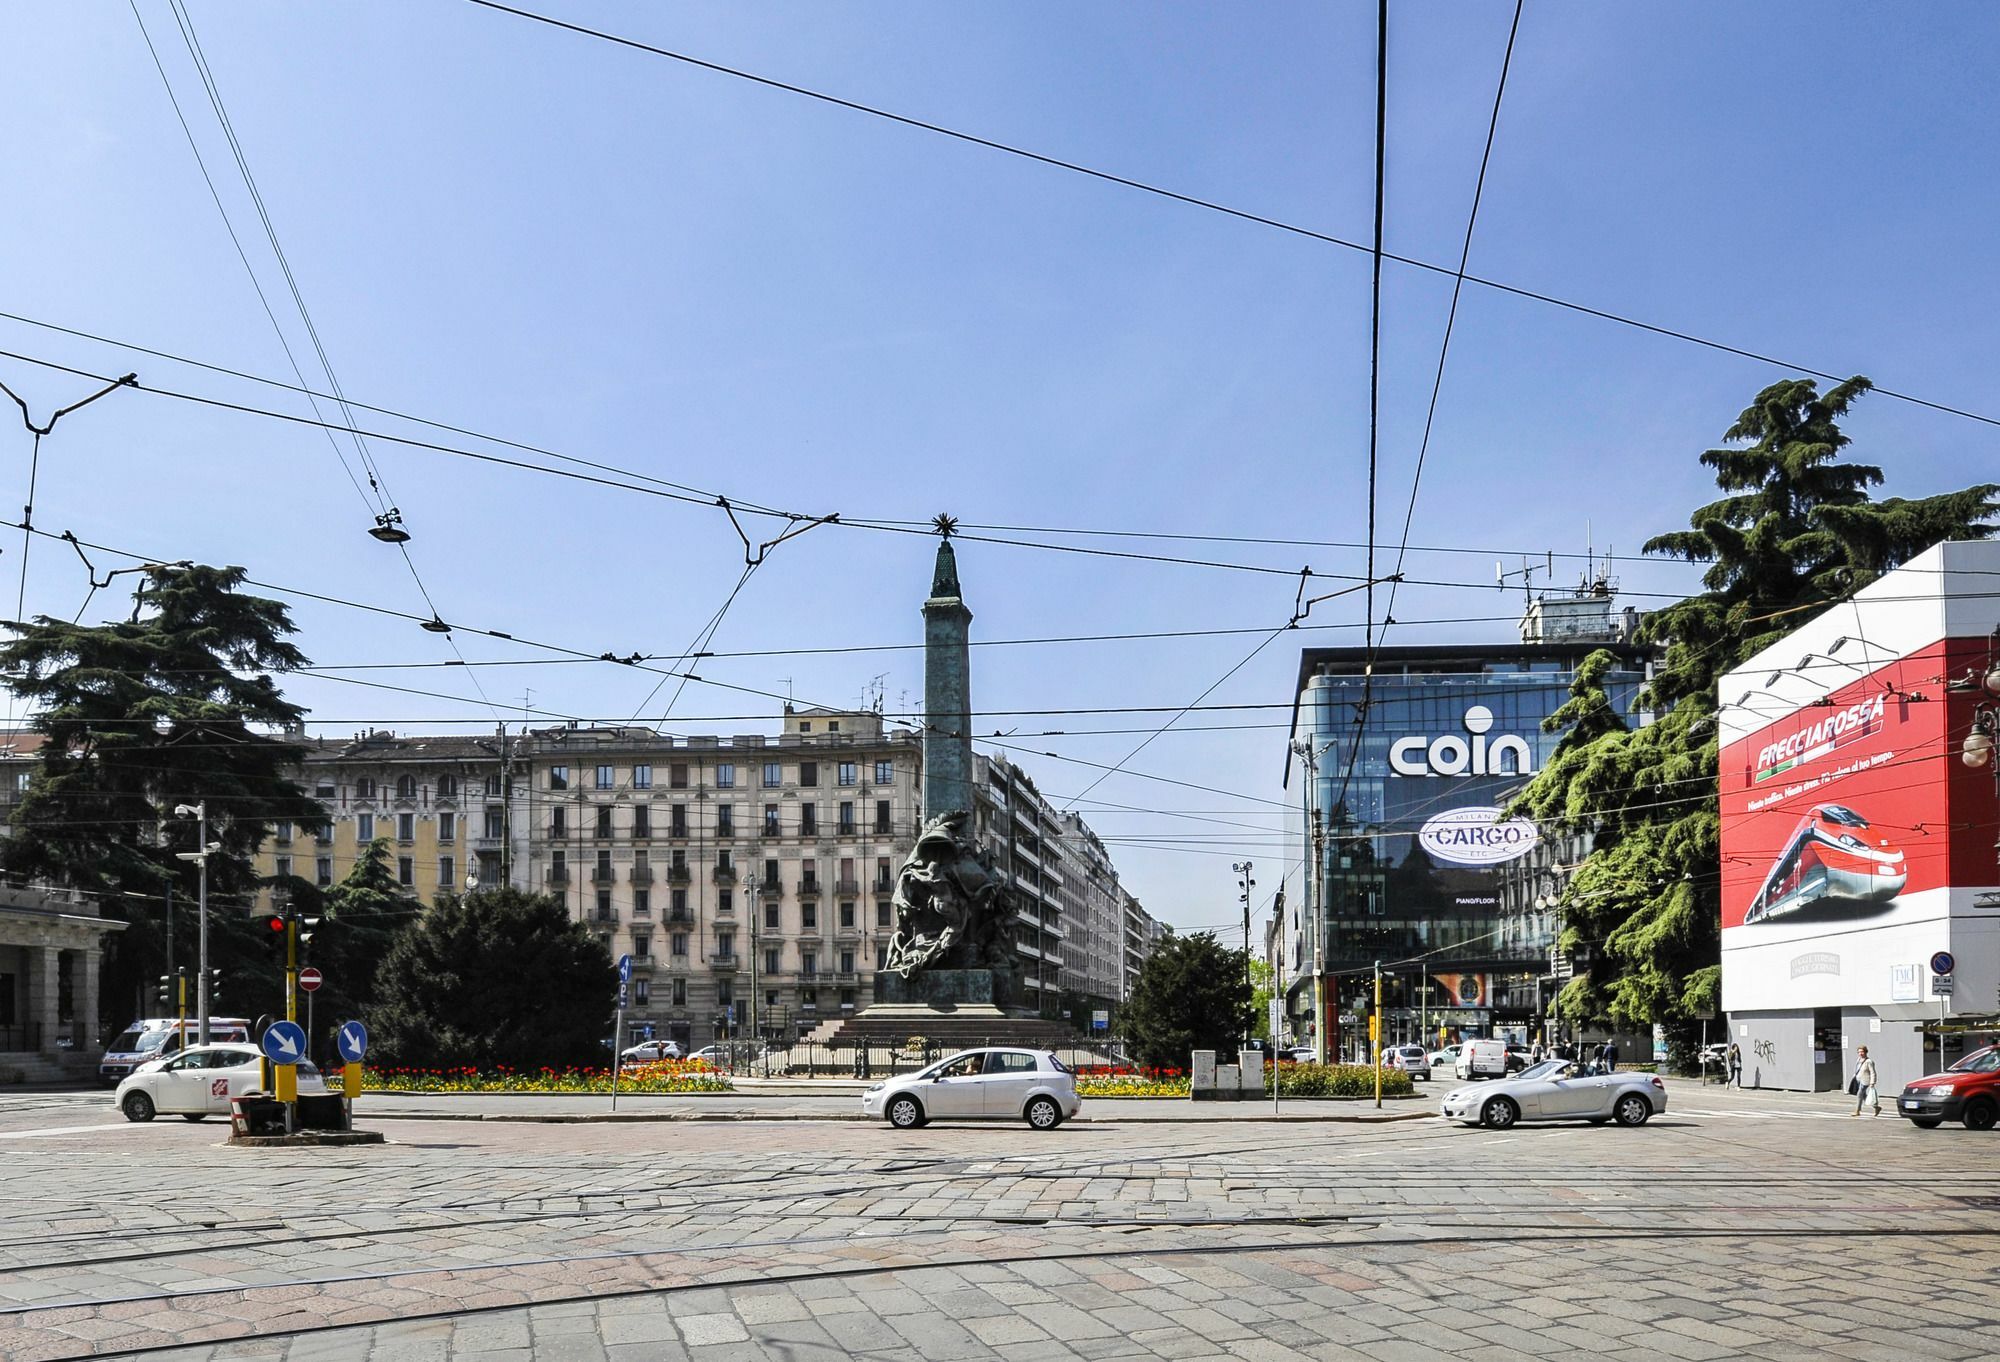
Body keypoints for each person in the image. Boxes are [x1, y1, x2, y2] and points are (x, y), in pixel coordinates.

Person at [1852, 1046, 1880, 1116]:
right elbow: (1857, 1070)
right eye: (1859, 1052)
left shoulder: (1869, 1061)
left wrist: (1872, 1082)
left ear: (1865, 1052)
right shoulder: (1858, 1060)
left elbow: (1873, 1072)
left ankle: (1857, 1111)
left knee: (1859, 1094)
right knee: (1864, 1096)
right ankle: (1876, 1107)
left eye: (1862, 1052)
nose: (1860, 1053)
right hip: (1858, 1080)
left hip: (1865, 1081)